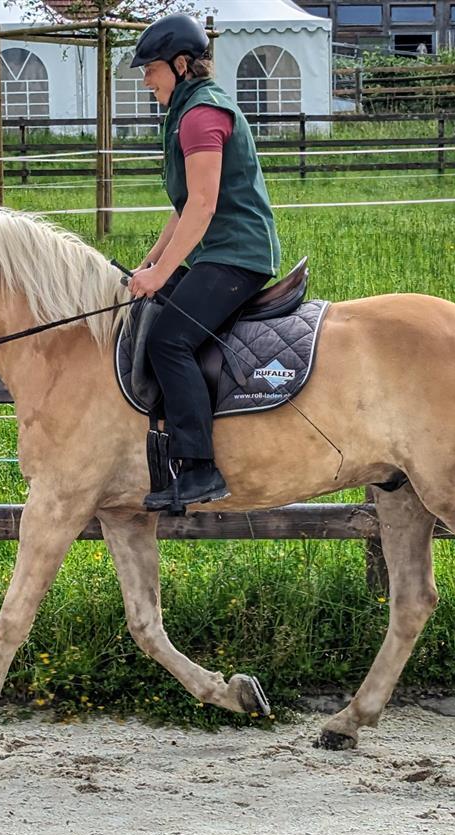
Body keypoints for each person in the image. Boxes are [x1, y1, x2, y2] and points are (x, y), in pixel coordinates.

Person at [127, 13, 281, 511]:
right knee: (155, 313)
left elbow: (203, 205)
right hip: (220, 252)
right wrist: (147, 266)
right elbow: (183, 208)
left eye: (150, 68)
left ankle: (199, 468)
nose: (146, 79)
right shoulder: (187, 110)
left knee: (169, 339)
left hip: (238, 255)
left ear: (179, 64)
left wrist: (163, 273)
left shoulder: (201, 115)